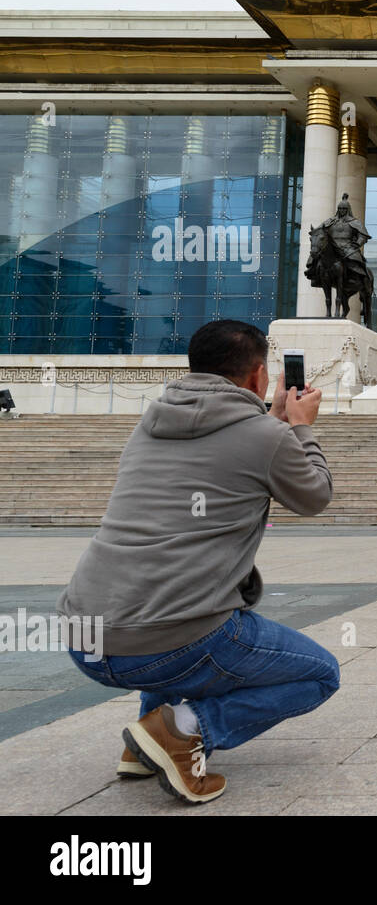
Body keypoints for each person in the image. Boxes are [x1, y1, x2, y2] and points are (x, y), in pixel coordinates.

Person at [57, 319, 340, 805]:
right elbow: (315, 495)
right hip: (163, 642)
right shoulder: (266, 436)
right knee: (319, 673)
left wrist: (270, 422)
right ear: (256, 377)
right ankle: (185, 732)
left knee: (171, 596)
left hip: (84, 635)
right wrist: (301, 427)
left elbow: (225, 450)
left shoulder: (149, 422)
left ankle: (142, 746)